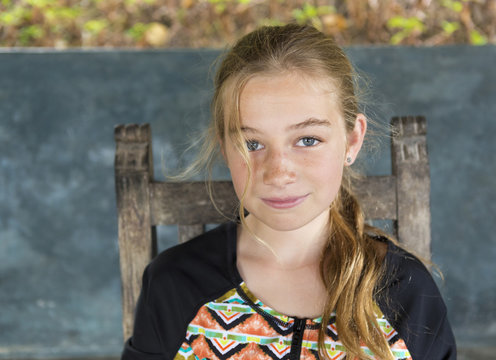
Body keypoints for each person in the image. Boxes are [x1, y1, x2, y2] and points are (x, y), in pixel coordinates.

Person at [122, 24, 456, 360]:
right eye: (251, 143)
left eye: (308, 140)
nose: (278, 172)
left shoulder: (401, 291)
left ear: (352, 140)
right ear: (224, 147)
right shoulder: (177, 283)